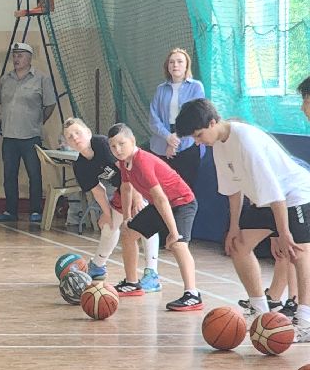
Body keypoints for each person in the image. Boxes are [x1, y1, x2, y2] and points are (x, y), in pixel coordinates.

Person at [174, 97, 310, 342]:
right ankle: (261, 312)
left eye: (198, 134)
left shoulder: (246, 140)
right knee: (238, 246)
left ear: (213, 122)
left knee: (298, 252)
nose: (197, 141)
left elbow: (276, 192)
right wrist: (234, 227)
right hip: (266, 199)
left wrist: (283, 233)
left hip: (293, 194)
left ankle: (306, 320)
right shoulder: (218, 145)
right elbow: (233, 190)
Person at [106, 122, 202, 311]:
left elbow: (160, 198)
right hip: (163, 204)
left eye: (122, 144)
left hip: (181, 202)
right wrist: (127, 219)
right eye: (113, 146)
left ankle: (193, 294)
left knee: (178, 243)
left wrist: (173, 232)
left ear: (132, 141)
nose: (117, 149)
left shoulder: (142, 161)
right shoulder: (125, 163)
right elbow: (126, 188)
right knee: (128, 233)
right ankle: (132, 283)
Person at [62, 118, 161, 288]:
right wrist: (106, 214)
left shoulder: (102, 144)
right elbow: (98, 191)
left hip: (143, 180)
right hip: (123, 188)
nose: (75, 138)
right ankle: (98, 266)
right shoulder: (80, 165)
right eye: (70, 137)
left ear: (88, 133)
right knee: (109, 226)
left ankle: (152, 273)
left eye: (78, 133)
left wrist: (138, 197)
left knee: (145, 222)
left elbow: (128, 165)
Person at [0, 41, 57, 224]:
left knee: (34, 175)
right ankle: (10, 211)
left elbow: (50, 104)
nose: (16, 58)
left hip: (31, 136)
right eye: (14, 55)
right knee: (9, 175)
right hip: (9, 137)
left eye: (20, 55)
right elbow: (2, 103)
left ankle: (35, 211)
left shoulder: (41, 79)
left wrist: (38, 121)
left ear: (29, 58)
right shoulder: (5, 79)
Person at [149, 47, 206, 191]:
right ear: (167, 67)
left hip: (188, 144)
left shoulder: (196, 87)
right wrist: (168, 137)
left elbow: (196, 115)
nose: (175, 65)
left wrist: (175, 140)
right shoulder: (160, 89)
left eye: (180, 62)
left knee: (186, 189)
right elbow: (153, 118)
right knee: (165, 190)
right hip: (162, 142)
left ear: (186, 65)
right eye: (172, 62)